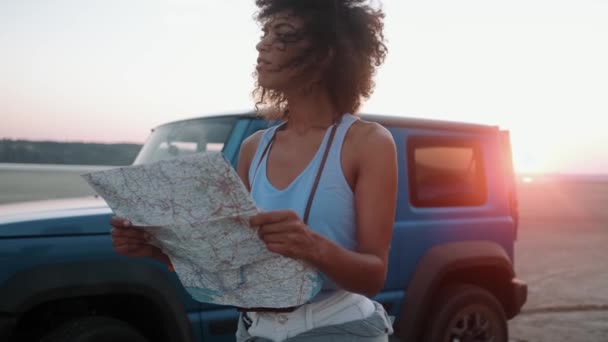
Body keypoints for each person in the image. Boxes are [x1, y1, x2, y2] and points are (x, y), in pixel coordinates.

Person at [111, 0, 397, 340]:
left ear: (327, 54)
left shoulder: (367, 142)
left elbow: (373, 278)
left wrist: (313, 246)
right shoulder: (254, 147)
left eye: (284, 35)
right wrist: (157, 250)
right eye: (265, 32)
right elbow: (234, 265)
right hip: (252, 332)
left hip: (337, 328)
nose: (263, 44)